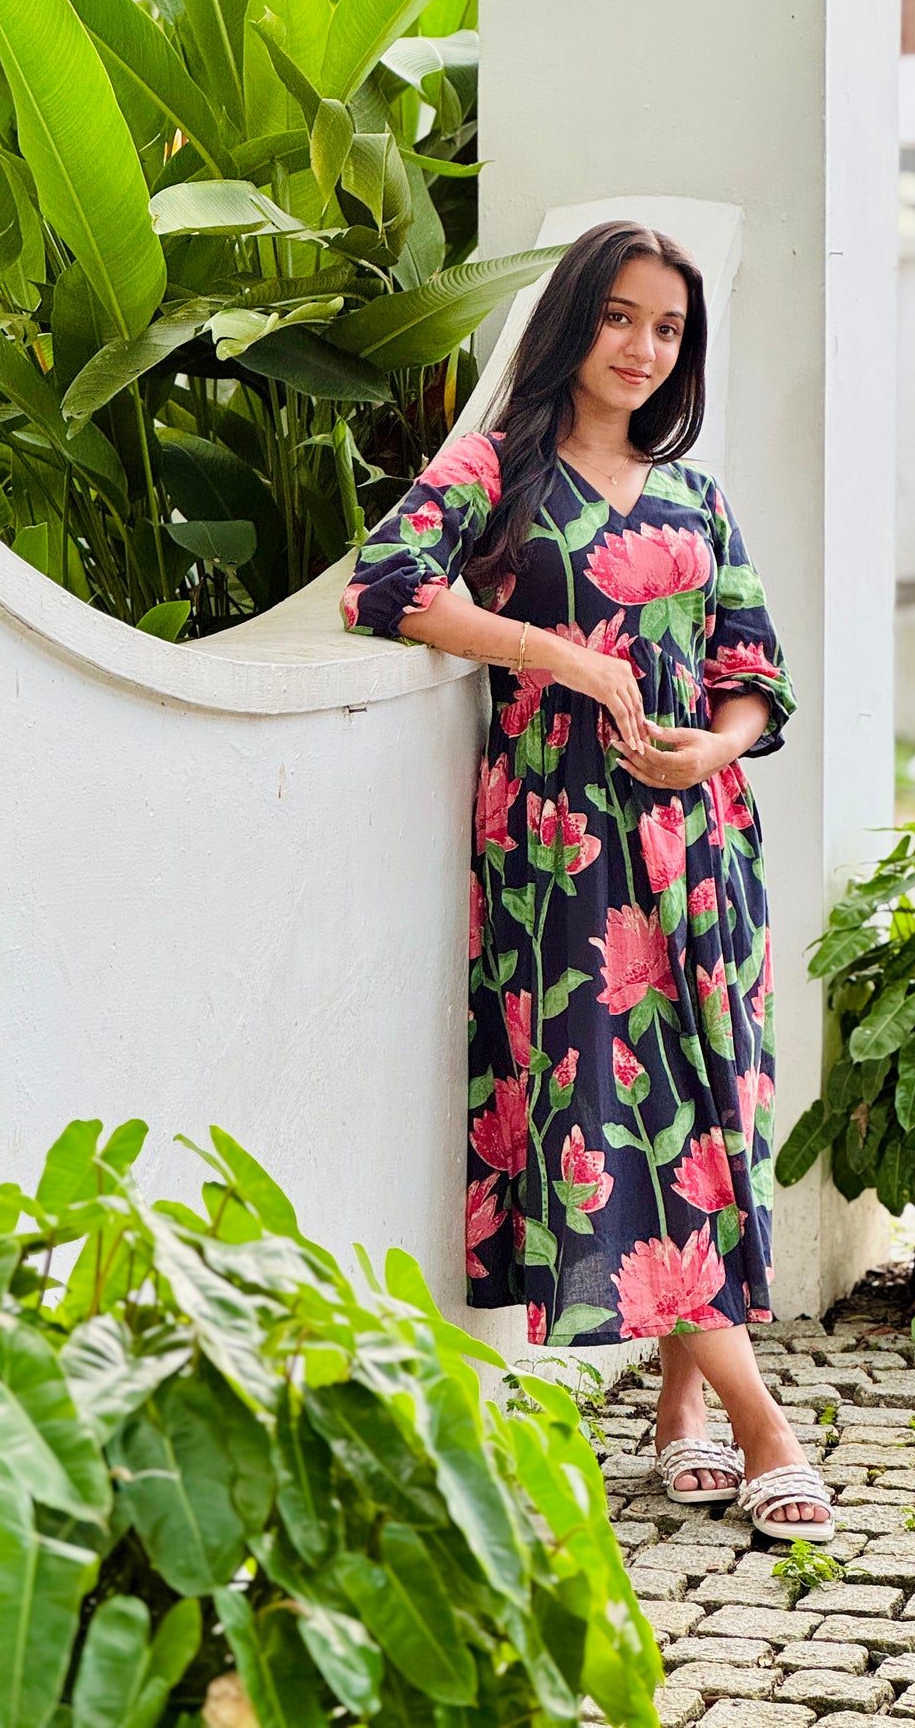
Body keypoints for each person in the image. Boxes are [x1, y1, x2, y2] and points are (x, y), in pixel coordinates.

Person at [339, 220, 833, 1539]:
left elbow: (753, 676)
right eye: (619, 317)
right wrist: (556, 653)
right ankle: (765, 1426)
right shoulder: (495, 467)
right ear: (573, 321)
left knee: (709, 1110)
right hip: (559, 848)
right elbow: (383, 587)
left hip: (702, 847)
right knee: (621, 1114)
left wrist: (707, 749)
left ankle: (679, 1409)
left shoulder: (696, 499)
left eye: (667, 329)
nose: (642, 348)